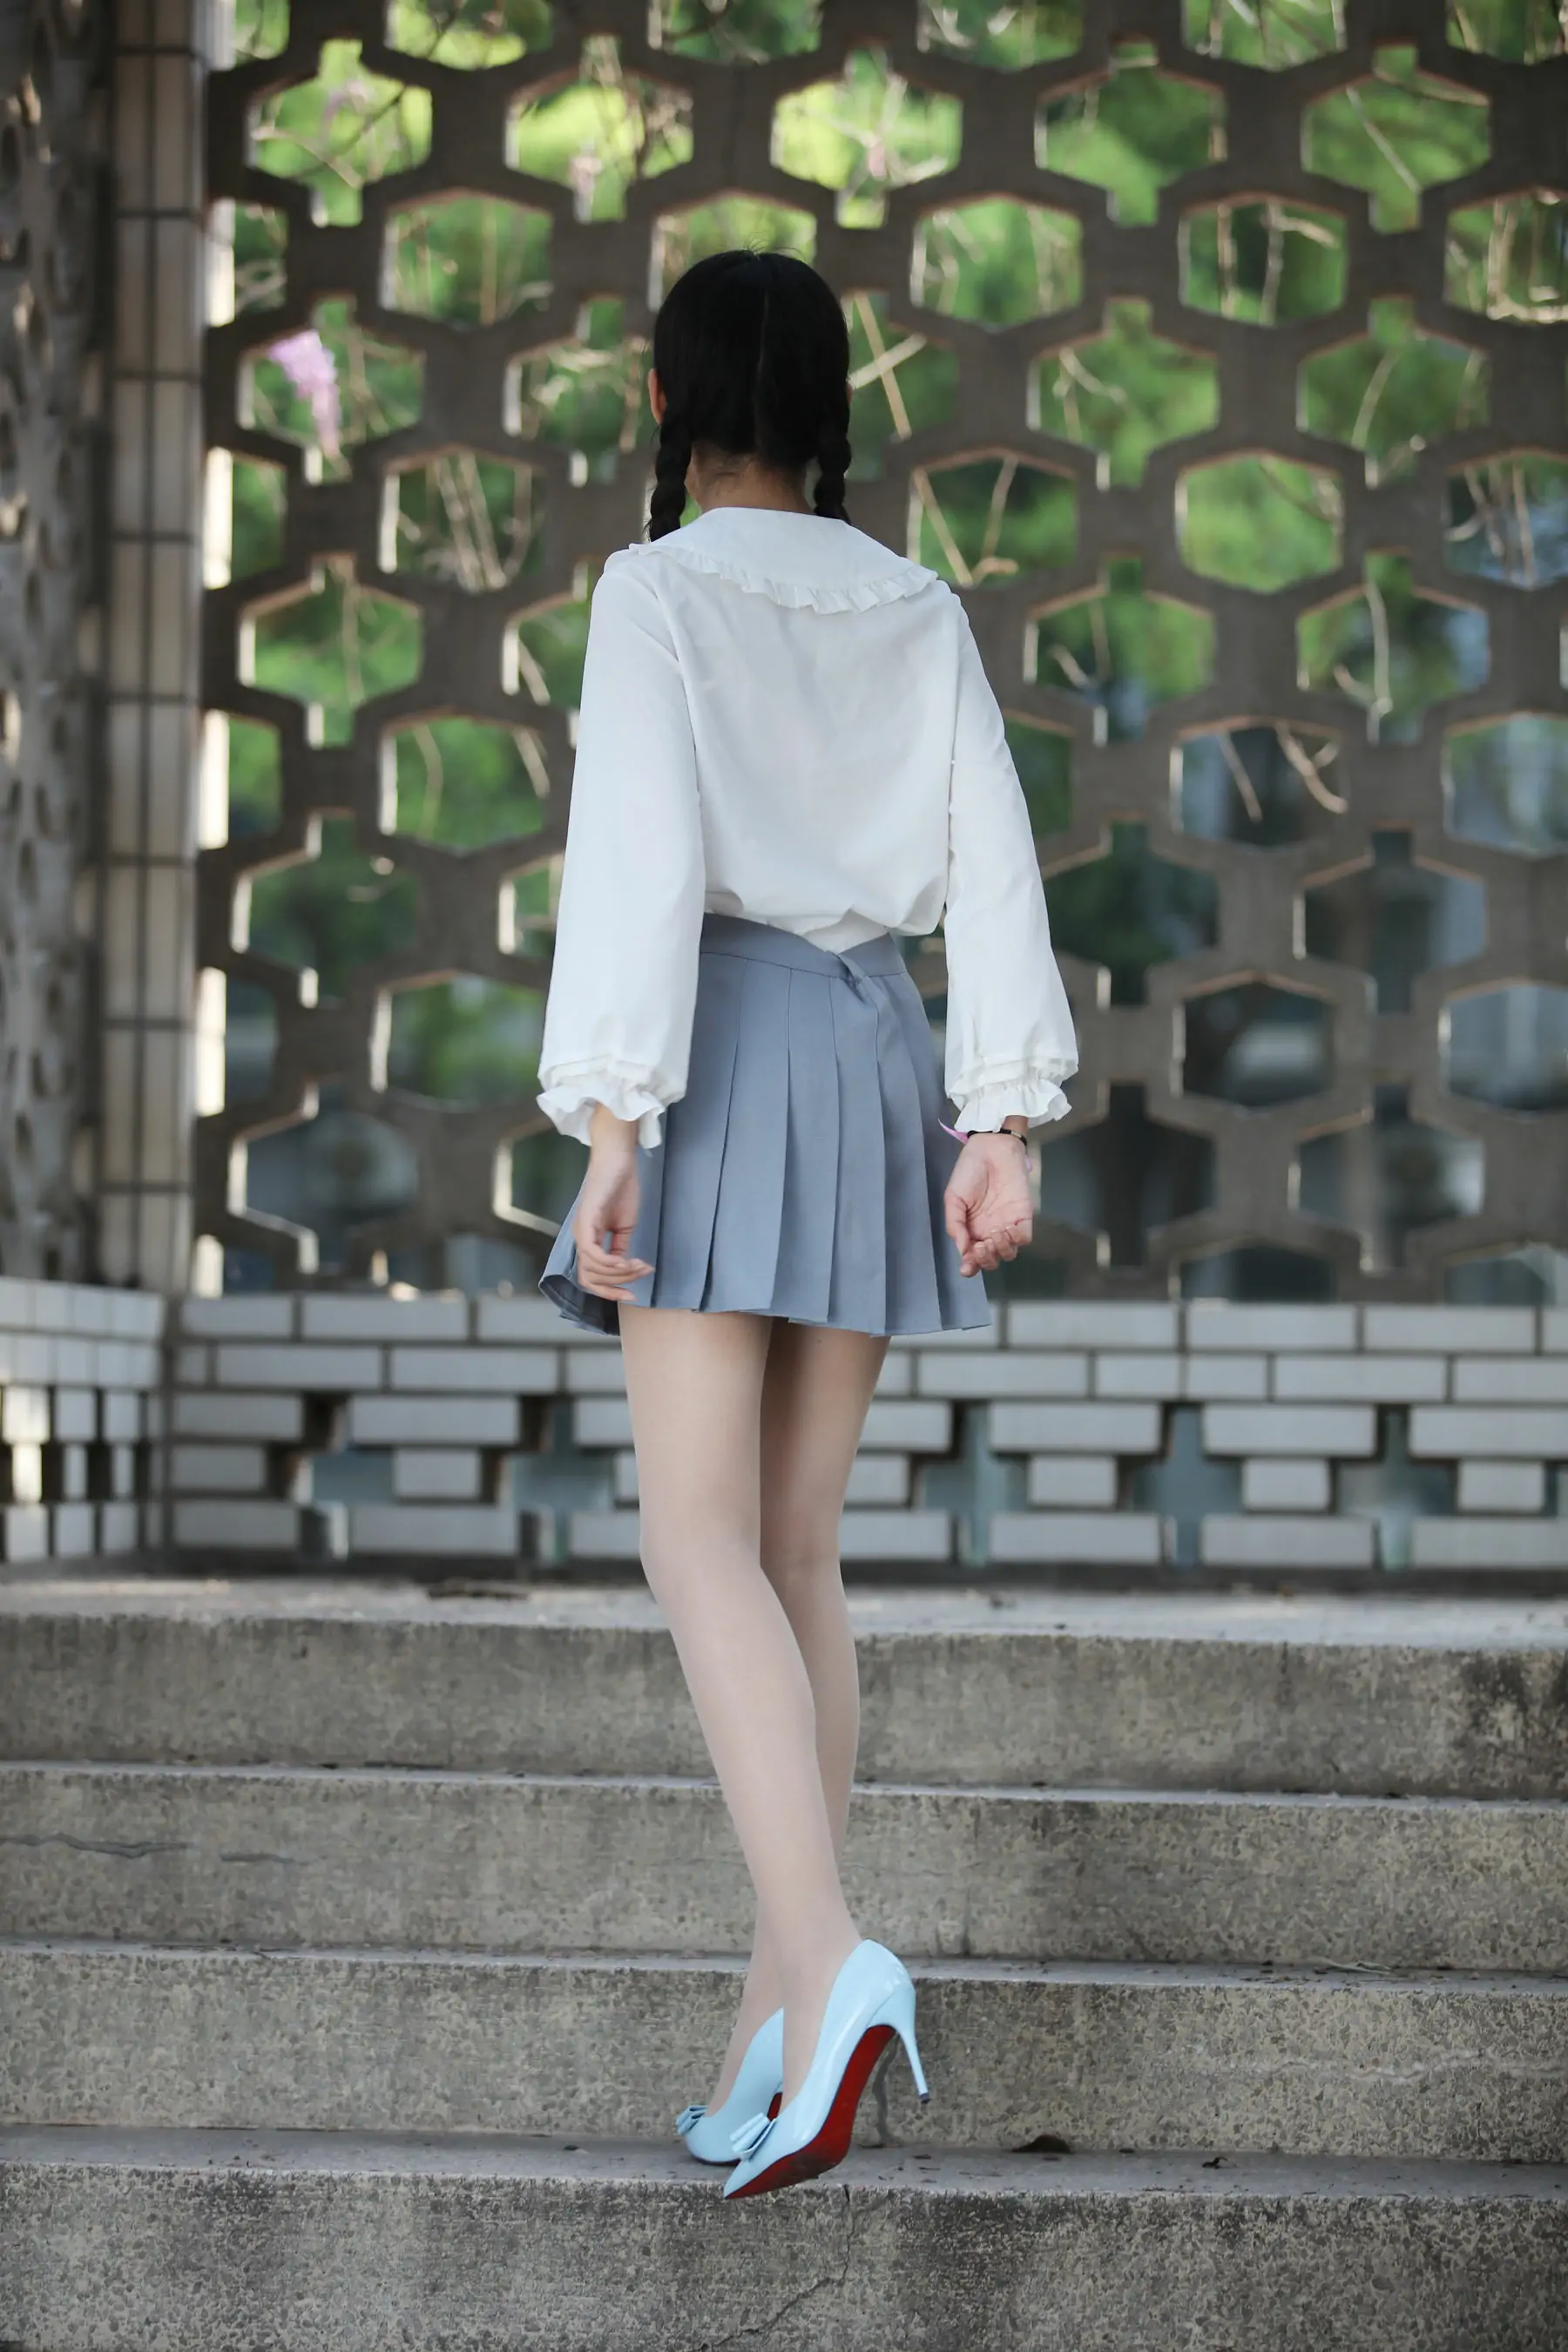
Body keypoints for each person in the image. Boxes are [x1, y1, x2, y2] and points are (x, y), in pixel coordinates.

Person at [535, 249, 1077, 2199]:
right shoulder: (919, 602)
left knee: (695, 1541)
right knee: (794, 1551)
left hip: (716, 1043)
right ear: (835, 412)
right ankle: (773, 2022)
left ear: (663, 404)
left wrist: (613, 1120)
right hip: (872, 1054)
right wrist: (999, 1117)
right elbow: (994, 863)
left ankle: (834, 1966)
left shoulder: (658, 589)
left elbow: (636, 860)